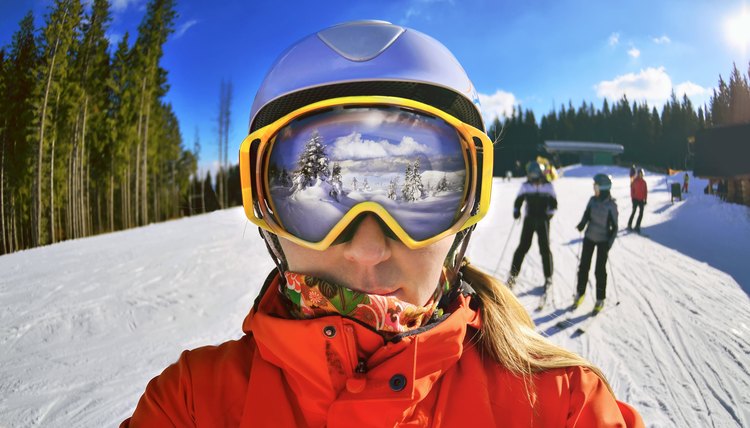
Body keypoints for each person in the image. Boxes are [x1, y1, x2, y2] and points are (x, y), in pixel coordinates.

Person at [121, 21, 643, 427]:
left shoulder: (560, 406)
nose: (367, 248)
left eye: (407, 194)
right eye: (319, 200)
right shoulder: (193, 405)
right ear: (268, 215)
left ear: (465, 212)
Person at [507, 161, 557, 291]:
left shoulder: (548, 186)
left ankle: (548, 277)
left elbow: (554, 204)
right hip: (529, 220)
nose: (532, 179)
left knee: (545, 248)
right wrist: (516, 211)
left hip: (542, 221)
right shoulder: (526, 186)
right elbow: (518, 201)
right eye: (531, 176)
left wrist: (549, 215)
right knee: (523, 247)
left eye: (534, 176)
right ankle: (513, 275)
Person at [574, 174, 619, 314]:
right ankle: (580, 293)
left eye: (596, 186)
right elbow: (587, 215)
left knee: (599, 271)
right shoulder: (592, 200)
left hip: (602, 241)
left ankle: (600, 299)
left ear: (603, 188)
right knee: (583, 267)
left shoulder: (611, 205)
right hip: (589, 237)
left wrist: (609, 244)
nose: (594, 188)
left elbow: (615, 228)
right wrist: (582, 224)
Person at [628, 168, 647, 233]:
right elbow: (632, 190)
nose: (640, 175)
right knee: (634, 211)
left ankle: (637, 226)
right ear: (638, 174)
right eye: (639, 174)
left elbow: (645, 191)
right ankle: (629, 224)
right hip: (635, 199)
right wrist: (633, 198)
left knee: (641, 213)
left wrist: (645, 199)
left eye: (641, 174)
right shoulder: (635, 181)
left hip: (641, 199)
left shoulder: (644, 182)